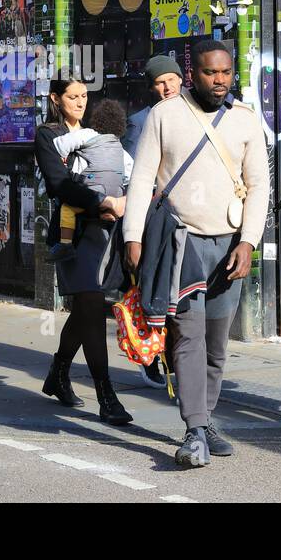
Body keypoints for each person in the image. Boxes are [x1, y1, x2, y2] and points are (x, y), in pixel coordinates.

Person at [124, 40, 271, 468]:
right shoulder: (165, 115)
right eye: (211, 73)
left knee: (216, 343)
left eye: (225, 73)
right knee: (187, 336)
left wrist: (249, 241)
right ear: (195, 74)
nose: (220, 80)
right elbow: (142, 178)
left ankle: (205, 420)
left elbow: (259, 185)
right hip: (181, 242)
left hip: (229, 243)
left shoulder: (245, 121)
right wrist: (134, 235)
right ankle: (192, 429)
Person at [34, 77, 132, 426]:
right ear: (55, 99)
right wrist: (101, 201)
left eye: (84, 96)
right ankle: (106, 395)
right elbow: (58, 183)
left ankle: (59, 373)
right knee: (90, 304)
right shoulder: (48, 135)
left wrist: (122, 201)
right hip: (72, 233)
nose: (80, 102)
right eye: (72, 96)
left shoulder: (95, 133)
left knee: (85, 309)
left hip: (105, 230)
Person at [121, 55, 185, 389]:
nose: (166, 87)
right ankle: (150, 357)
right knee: (154, 291)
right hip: (155, 220)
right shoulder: (142, 121)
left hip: (188, 220)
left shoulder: (195, 114)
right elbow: (137, 177)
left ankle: (179, 363)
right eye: (160, 83)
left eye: (170, 80)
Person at [49, 99, 132, 265]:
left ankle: (65, 245)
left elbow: (59, 145)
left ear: (96, 120)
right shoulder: (119, 147)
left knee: (67, 209)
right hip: (115, 193)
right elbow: (129, 174)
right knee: (103, 206)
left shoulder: (87, 134)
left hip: (92, 192)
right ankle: (106, 212)